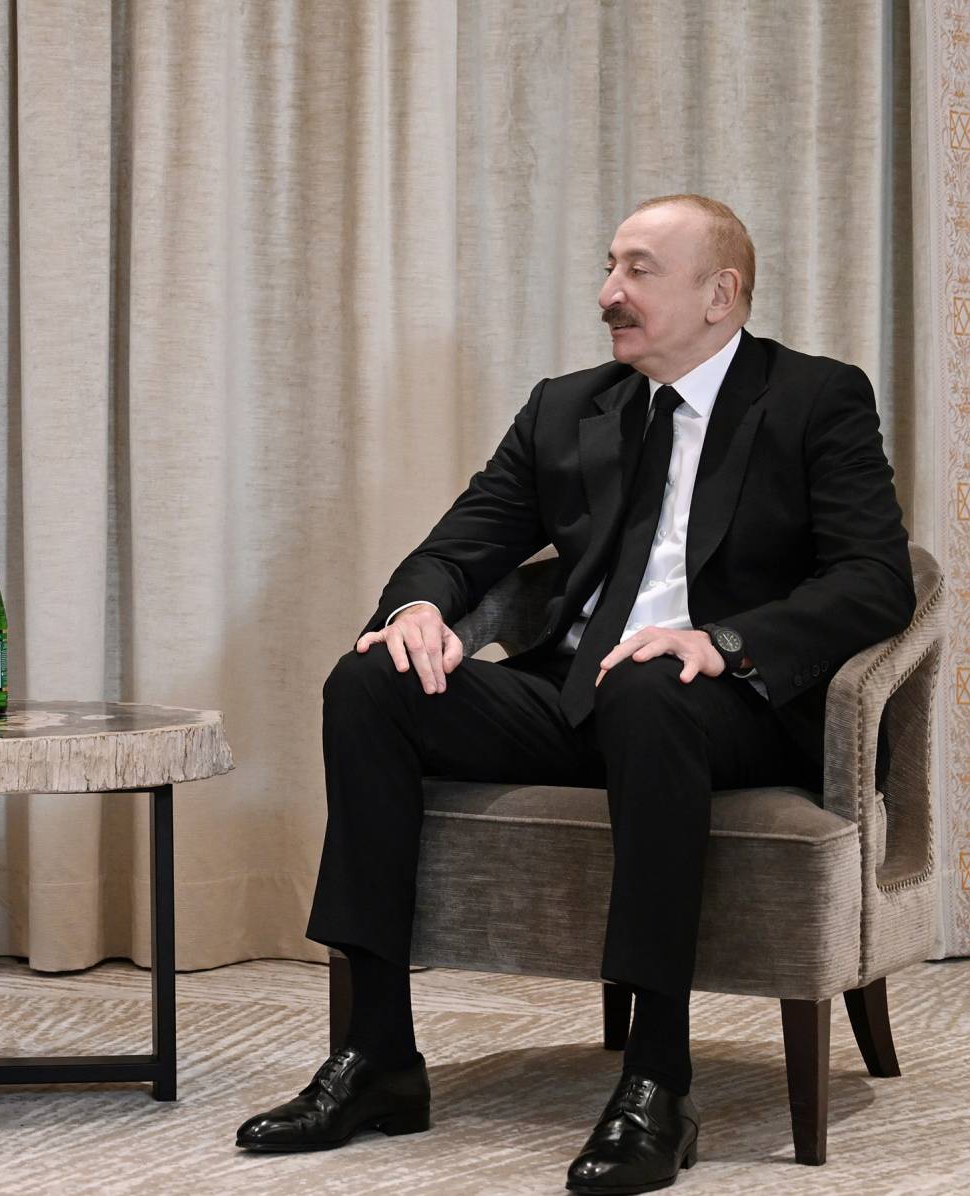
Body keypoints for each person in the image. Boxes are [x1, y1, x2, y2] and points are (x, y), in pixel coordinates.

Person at [234, 195, 914, 1194]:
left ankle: (657, 1079)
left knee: (647, 683)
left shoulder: (813, 397)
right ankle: (376, 1055)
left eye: (637, 270)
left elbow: (873, 580)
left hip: (732, 705)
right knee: (371, 679)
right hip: (578, 695)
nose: (607, 294)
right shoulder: (567, 408)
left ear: (719, 294)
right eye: (608, 266)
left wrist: (721, 641)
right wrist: (417, 609)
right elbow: (458, 547)